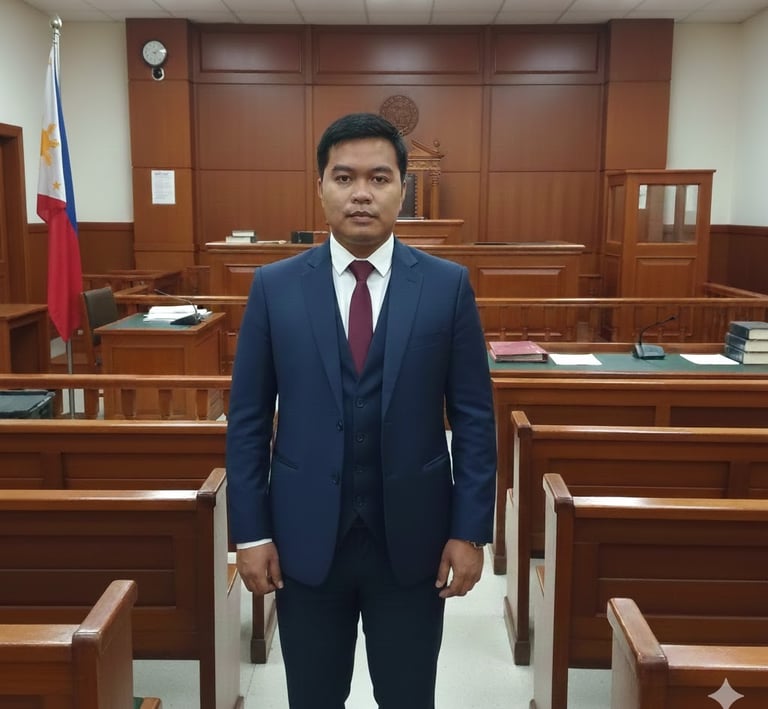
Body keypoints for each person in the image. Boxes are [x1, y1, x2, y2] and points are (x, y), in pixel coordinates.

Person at [226, 112, 496, 709]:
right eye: (344, 177)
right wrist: (251, 532)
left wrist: (470, 531)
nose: (361, 194)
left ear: (402, 187)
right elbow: (248, 419)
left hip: (415, 543)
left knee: (408, 696)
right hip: (302, 541)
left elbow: (475, 418)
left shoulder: (447, 287)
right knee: (313, 697)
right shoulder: (273, 287)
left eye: (379, 177)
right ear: (321, 187)